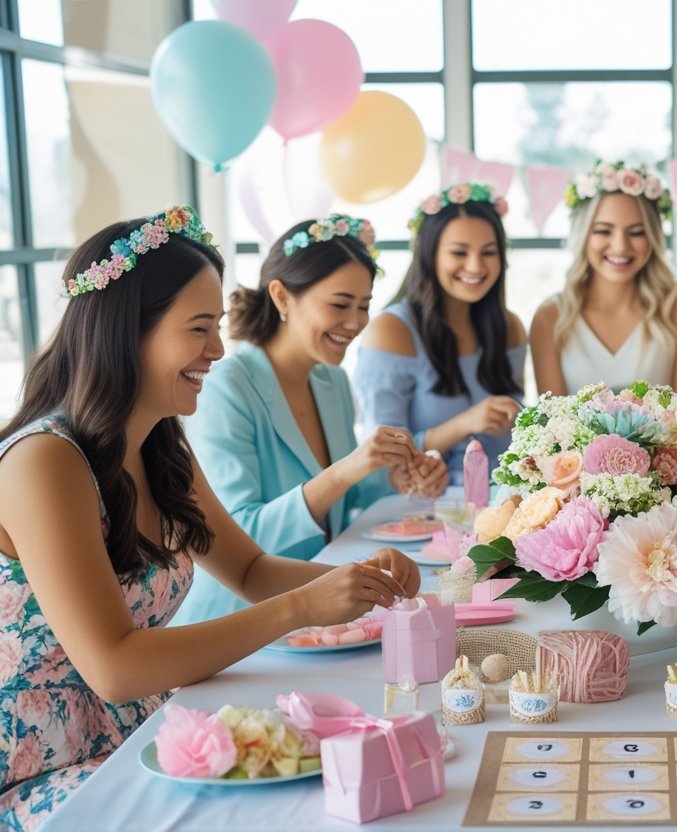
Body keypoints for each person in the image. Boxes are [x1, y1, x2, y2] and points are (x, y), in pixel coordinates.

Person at [0, 208, 420, 829]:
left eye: (218, 327)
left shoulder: (161, 445)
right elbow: (116, 669)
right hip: (45, 775)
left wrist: (359, 579)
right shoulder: (43, 462)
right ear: (127, 333)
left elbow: (248, 568)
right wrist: (302, 607)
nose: (218, 350)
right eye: (199, 328)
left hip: (152, 738)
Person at [177, 215, 445, 625]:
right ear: (282, 297)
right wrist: (347, 469)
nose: (356, 323)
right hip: (243, 619)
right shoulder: (227, 387)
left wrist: (394, 476)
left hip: (321, 613)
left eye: (364, 306)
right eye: (340, 304)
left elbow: (341, 501)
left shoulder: (331, 380)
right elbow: (244, 535)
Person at [355, 183, 526, 484]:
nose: (475, 266)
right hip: (423, 506)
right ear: (429, 254)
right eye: (459, 252)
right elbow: (381, 460)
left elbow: (518, 437)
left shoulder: (509, 327)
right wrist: (464, 423)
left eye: (489, 252)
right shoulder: (392, 331)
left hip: (504, 500)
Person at [530, 161, 677, 398]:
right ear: (583, 235)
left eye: (636, 232)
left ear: (652, 237)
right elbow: (549, 426)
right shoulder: (550, 317)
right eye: (603, 231)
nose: (620, 247)